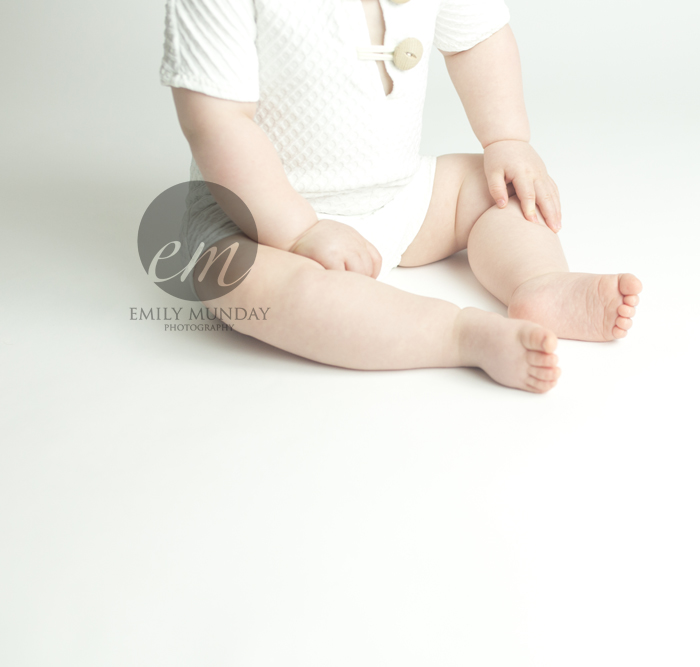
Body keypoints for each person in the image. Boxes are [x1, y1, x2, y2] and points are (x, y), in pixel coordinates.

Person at [160, 0, 641, 393]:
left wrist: (507, 140)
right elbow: (215, 120)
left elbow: (478, 38)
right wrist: (301, 229)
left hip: (402, 194)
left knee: (496, 189)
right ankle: (457, 335)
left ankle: (540, 282)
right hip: (259, 222)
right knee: (240, 280)